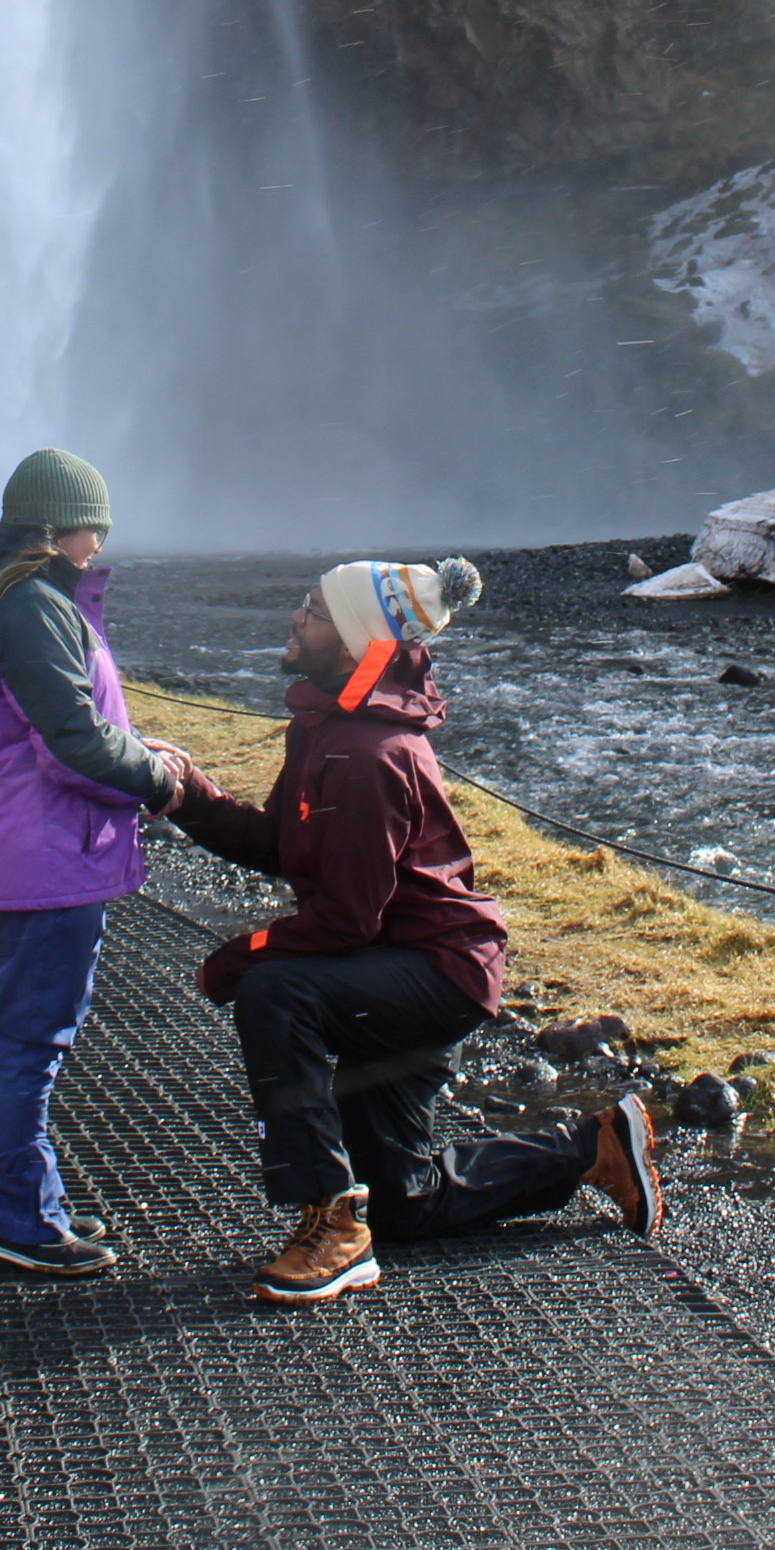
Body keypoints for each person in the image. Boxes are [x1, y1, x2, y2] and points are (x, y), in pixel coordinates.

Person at [170, 556, 661, 1304]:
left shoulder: (368, 754)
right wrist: (187, 795)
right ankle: (591, 1150)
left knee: (275, 990)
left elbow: (343, 920)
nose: (295, 619)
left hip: (434, 975)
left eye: (312, 610)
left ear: (356, 642)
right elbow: (280, 844)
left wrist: (237, 961)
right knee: (402, 1203)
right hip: (390, 968)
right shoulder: (327, 728)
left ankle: (332, 1226)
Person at [0, 447, 195, 1277]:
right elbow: (69, 745)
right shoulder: (31, 606)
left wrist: (135, 744)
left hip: (21, 852)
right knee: (31, 1041)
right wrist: (156, 781)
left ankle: (31, 1199)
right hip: (44, 859)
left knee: (30, 1036)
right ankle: (20, 1222)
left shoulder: (6, 593)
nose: (97, 548)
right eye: (90, 530)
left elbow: (60, 721)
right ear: (58, 529)